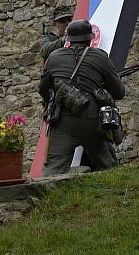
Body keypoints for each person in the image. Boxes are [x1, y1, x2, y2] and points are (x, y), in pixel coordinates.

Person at [39, 20, 125, 176]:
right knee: (109, 169)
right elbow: (119, 92)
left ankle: (46, 199)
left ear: (68, 39)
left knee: (52, 172)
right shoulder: (101, 57)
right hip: (92, 119)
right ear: (90, 38)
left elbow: (43, 89)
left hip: (63, 120)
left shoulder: (53, 57)